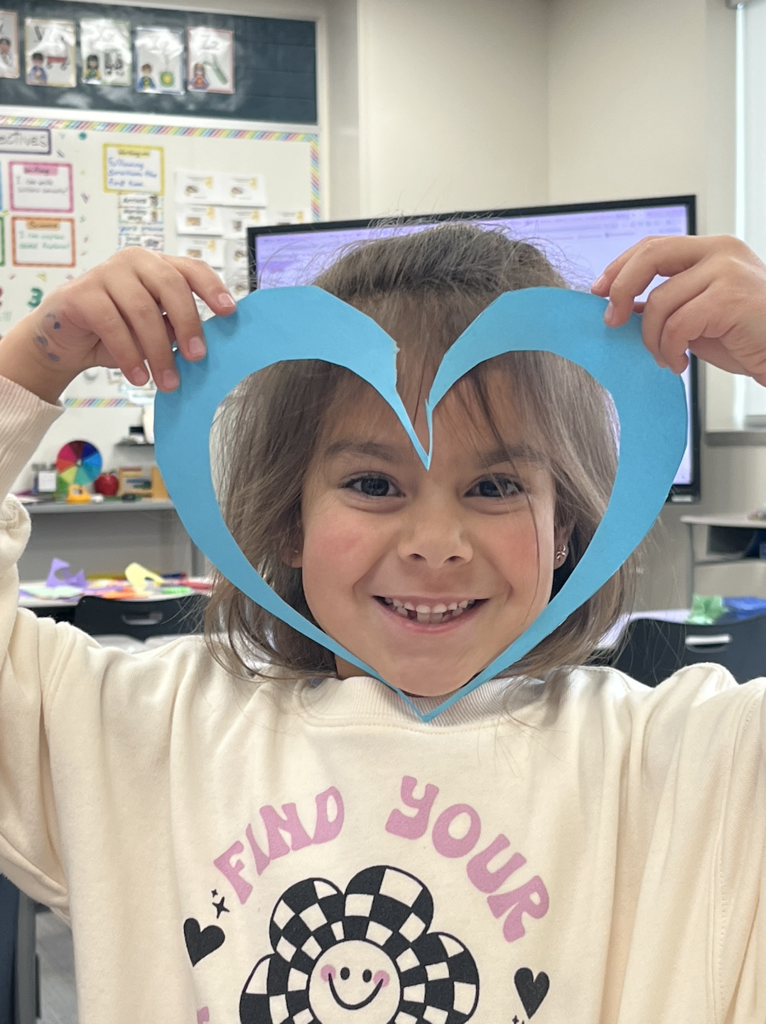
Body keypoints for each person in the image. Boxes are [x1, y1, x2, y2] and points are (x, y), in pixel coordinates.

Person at [0, 226, 765, 1024]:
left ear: (567, 525)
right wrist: (33, 363)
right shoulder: (145, 739)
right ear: (288, 519)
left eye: (496, 487)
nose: (436, 545)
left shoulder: (677, 767)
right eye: (373, 482)